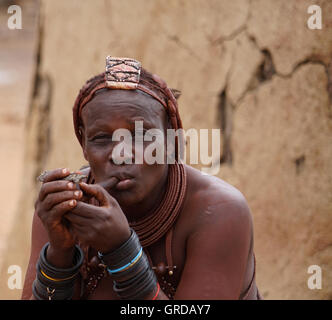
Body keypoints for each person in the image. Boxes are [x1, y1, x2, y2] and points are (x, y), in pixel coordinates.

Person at [22, 56, 261, 300]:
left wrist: (122, 251)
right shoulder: (64, 207)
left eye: (141, 135)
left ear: (170, 140)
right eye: (102, 138)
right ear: (83, 144)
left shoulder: (218, 210)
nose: (122, 153)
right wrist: (60, 254)